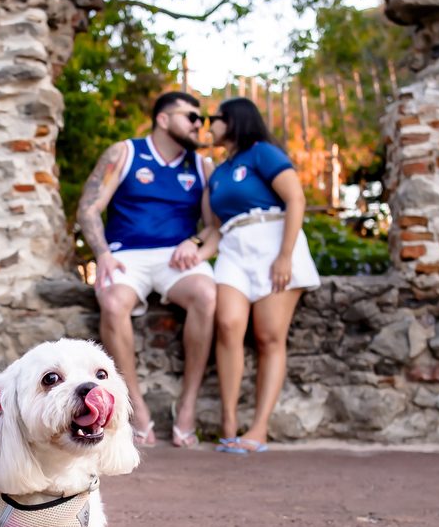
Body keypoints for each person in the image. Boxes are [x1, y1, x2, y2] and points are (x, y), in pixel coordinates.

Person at [76, 91, 219, 447]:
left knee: (206, 294)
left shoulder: (202, 166)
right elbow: (88, 208)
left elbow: (215, 226)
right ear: (164, 119)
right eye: (191, 117)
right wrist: (103, 253)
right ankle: (134, 407)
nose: (198, 124)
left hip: (176, 256)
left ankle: (187, 406)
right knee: (112, 304)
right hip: (127, 254)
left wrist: (197, 243)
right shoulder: (124, 152)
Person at [205, 97, 321, 453]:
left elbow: (296, 199)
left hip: (272, 239)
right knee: (227, 324)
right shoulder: (218, 170)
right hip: (233, 247)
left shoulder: (263, 152)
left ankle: (258, 428)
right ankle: (228, 420)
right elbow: (212, 229)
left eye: (216, 118)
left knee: (269, 337)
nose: (210, 124)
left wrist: (285, 255)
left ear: (235, 120)